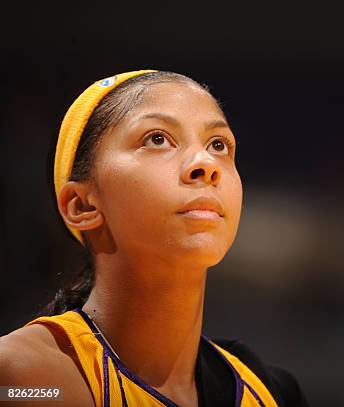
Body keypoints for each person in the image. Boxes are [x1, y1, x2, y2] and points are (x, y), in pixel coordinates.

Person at [0, 70, 309, 406]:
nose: (205, 164)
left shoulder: (272, 391)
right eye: (157, 139)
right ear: (82, 205)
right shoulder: (21, 377)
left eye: (218, 145)